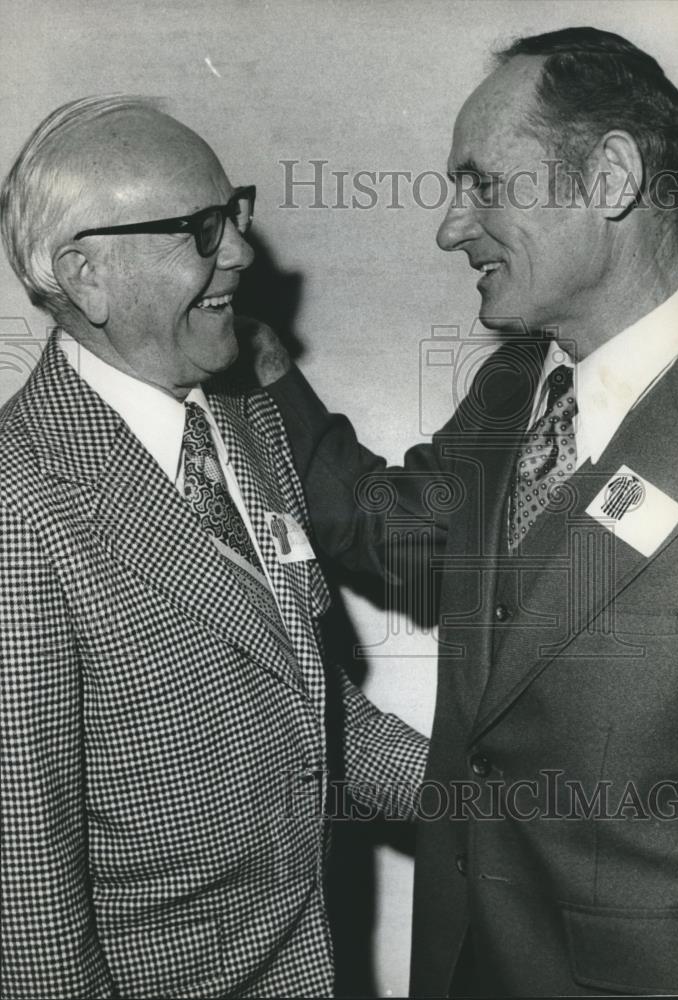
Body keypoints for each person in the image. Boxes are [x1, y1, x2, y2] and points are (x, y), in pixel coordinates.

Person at [253, 28, 678, 998]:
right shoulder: (512, 389)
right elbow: (390, 531)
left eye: (482, 185)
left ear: (611, 176)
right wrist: (265, 367)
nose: (448, 228)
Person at [0, 96, 429, 999]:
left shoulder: (247, 423)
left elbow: (306, 707)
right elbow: (27, 879)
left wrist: (499, 803)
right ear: (87, 275)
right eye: (200, 229)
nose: (239, 250)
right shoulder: (21, 500)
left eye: (233, 212)